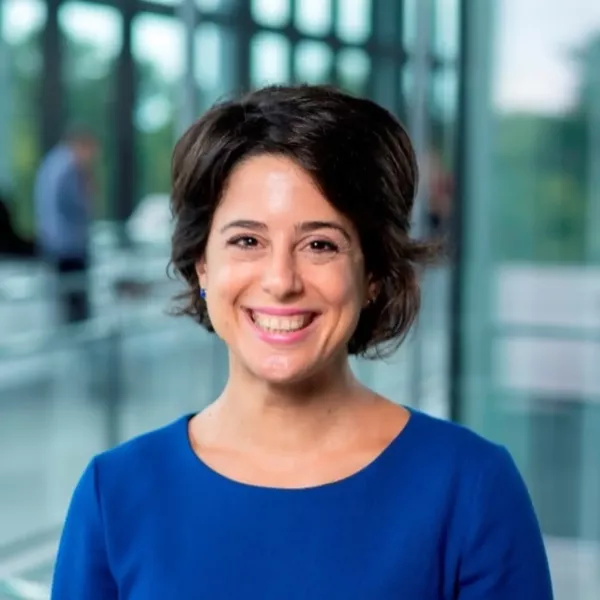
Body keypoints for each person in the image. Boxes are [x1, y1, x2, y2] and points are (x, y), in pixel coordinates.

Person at [51, 85, 553, 599]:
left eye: (320, 245)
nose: (281, 280)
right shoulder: (113, 496)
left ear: (374, 273)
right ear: (203, 264)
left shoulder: (471, 489)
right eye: (247, 241)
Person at [34, 126, 98, 323]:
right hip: (70, 245)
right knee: (76, 301)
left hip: (54, 242)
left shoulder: (50, 163)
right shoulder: (69, 167)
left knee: (64, 299)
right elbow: (77, 204)